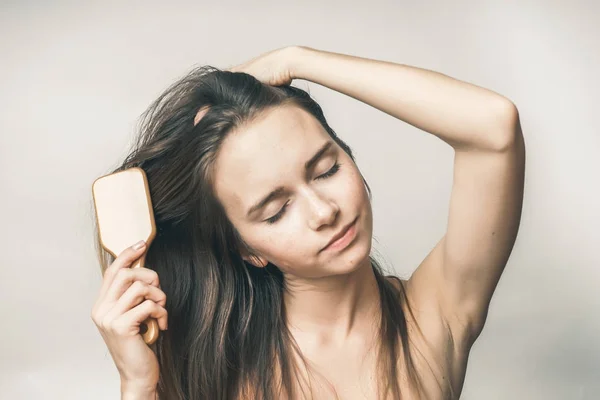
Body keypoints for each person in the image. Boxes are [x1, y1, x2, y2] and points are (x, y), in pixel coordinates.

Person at [91, 46, 526, 400]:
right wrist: (138, 385)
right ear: (248, 249)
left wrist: (296, 61)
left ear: (348, 154)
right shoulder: (221, 374)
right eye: (277, 211)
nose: (324, 212)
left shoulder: (433, 317)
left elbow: (493, 127)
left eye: (326, 170)